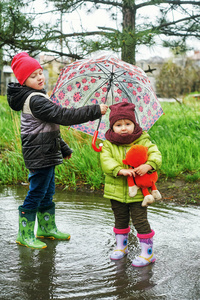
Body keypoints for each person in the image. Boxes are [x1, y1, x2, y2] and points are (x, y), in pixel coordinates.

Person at [7, 52, 108, 250]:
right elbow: (62, 116)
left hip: (47, 151)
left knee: (47, 192)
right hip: (39, 154)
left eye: (40, 72)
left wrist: (63, 148)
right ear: (23, 81)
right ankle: (24, 233)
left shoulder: (39, 96)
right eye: (33, 76)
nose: (40, 77)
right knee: (37, 192)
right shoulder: (36, 100)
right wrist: (94, 110)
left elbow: (50, 127)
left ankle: (46, 228)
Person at [100, 102, 162, 267]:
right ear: (112, 127)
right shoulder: (108, 143)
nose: (123, 128)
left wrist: (148, 165)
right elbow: (105, 161)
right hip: (116, 190)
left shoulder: (143, 139)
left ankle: (148, 253)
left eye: (128, 124)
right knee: (120, 219)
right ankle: (121, 247)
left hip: (140, 193)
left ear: (134, 124)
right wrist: (120, 170)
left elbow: (155, 154)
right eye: (118, 125)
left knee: (140, 220)